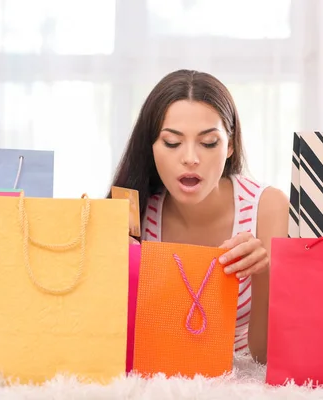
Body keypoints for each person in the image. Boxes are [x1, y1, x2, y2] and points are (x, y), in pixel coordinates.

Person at [109, 69, 289, 364]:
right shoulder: (132, 209)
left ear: (230, 146)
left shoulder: (268, 207)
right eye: (171, 143)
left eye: (208, 143)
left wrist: (264, 271)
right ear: (151, 148)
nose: (190, 158)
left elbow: (264, 358)